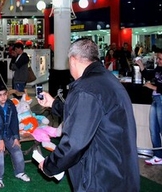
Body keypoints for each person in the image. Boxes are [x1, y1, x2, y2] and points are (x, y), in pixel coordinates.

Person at [37, 38, 139, 191]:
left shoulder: (85, 89)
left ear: (72, 60)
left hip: (101, 177)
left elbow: (74, 143)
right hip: (120, 171)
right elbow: (87, 117)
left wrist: (50, 166)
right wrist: (54, 104)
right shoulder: (107, 79)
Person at [0, 82, 30, 188]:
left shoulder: (10, 104)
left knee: (16, 149)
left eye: (4, 94)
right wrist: (0, 140)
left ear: (7, 94)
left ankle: (20, 172)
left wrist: (16, 137)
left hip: (8, 133)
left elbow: (14, 121)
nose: (3, 97)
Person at [135, 49, 162, 165]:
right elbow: (148, 74)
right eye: (158, 58)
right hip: (155, 100)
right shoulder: (158, 69)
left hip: (160, 99)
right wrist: (141, 64)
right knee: (153, 129)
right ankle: (158, 156)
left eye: (160, 59)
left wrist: (153, 87)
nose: (158, 61)